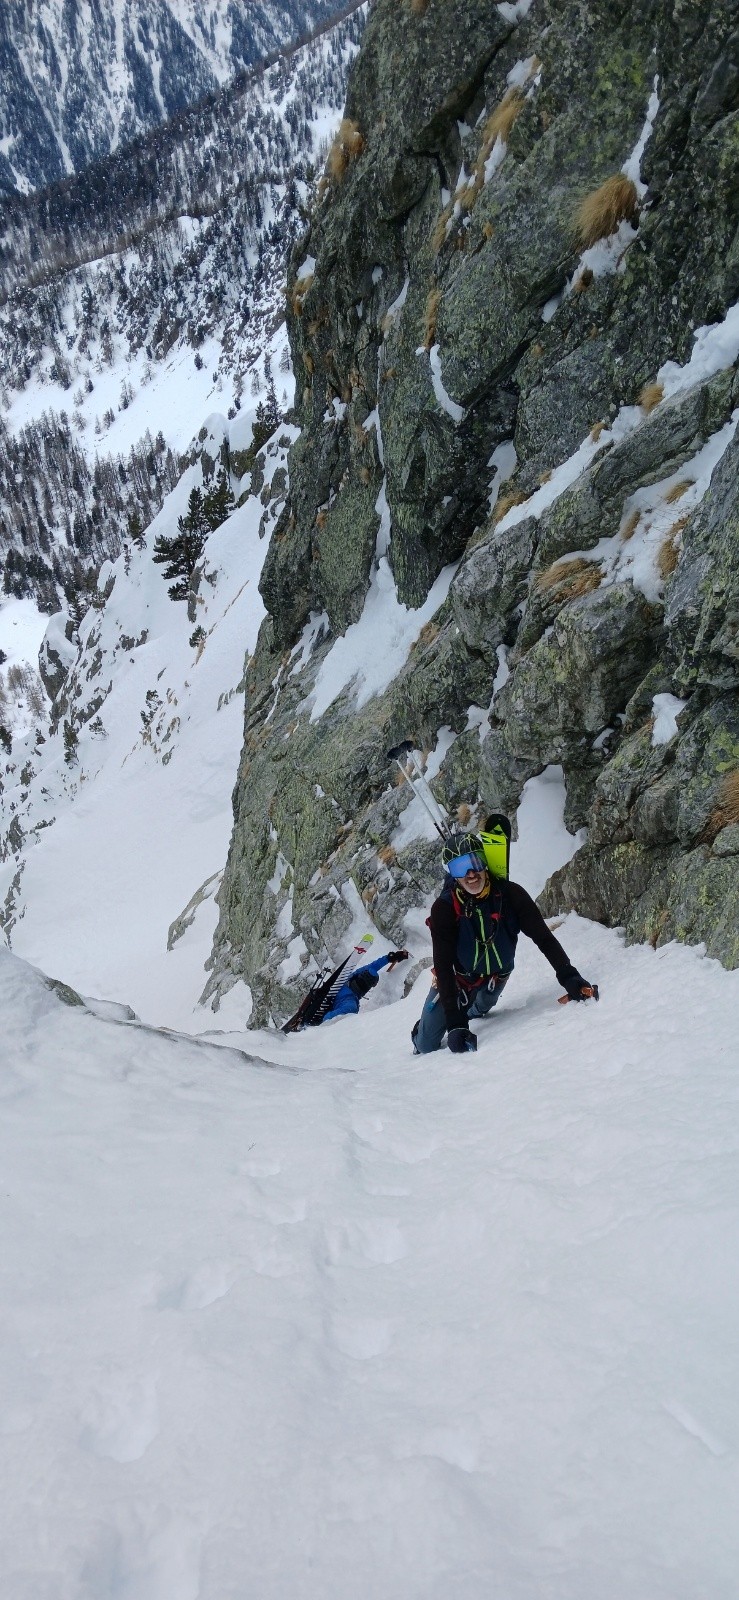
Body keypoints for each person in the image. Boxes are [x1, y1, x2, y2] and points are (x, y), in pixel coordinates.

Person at [412, 832, 597, 1054]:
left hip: (496, 977)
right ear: (453, 875)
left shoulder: (511, 895)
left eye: (475, 862)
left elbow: (543, 937)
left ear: (485, 862)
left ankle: (468, 1008)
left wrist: (569, 976)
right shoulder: (444, 908)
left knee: (479, 1010)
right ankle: (425, 1027)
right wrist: (455, 1023)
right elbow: (442, 966)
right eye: (461, 868)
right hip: (459, 981)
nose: (471, 873)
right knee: (425, 1045)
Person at [319, 950, 409, 1024]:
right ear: (367, 988)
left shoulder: (346, 979)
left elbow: (373, 966)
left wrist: (390, 958)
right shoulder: (350, 1005)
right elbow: (327, 1020)